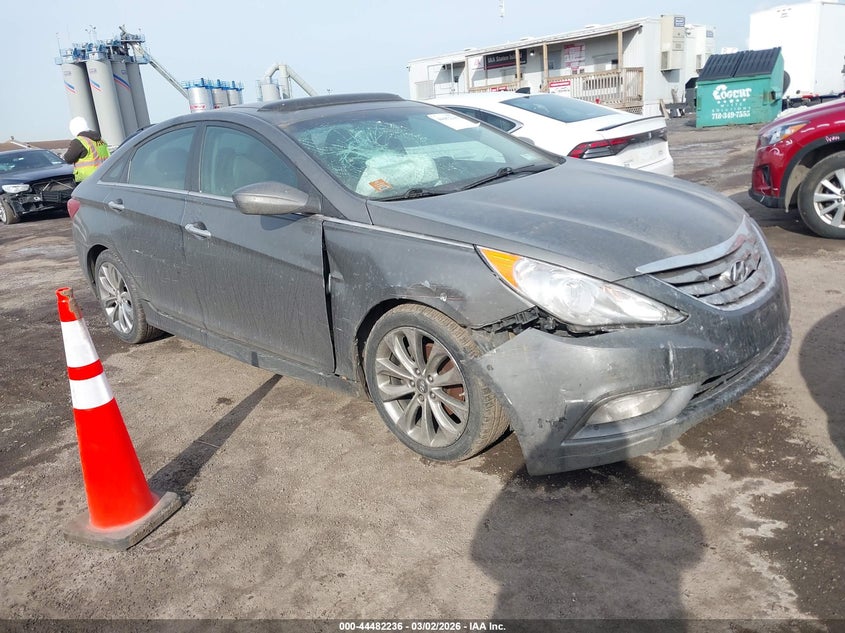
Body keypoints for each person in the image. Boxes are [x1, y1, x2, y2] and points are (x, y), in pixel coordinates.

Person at [63, 117, 109, 183]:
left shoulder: (78, 142)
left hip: (88, 181)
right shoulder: (101, 140)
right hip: (105, 177)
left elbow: (68, 159)